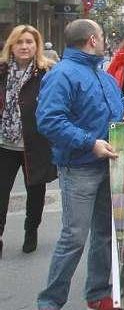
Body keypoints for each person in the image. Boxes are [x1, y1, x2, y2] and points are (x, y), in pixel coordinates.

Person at [36, 19, 124, 310]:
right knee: (73, 237)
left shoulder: (102, 75)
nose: (107, 41)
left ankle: (98, 293)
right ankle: (50, 301)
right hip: (79, 168)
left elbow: (119, 104)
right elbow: (49, 121)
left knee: (104, 234)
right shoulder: (62, 75)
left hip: (108, 166)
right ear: (93, 40)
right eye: (103, 36)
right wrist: (89, 143)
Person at [0, 25, 56, 258]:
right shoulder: (2, 71)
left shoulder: (47, 72)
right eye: (20, 42)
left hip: (36, 144)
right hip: (4, 143)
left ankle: (31, 230)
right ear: (11, 45)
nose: (24, 46)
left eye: (29, 42)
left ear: (37, 46)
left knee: (36, 192)